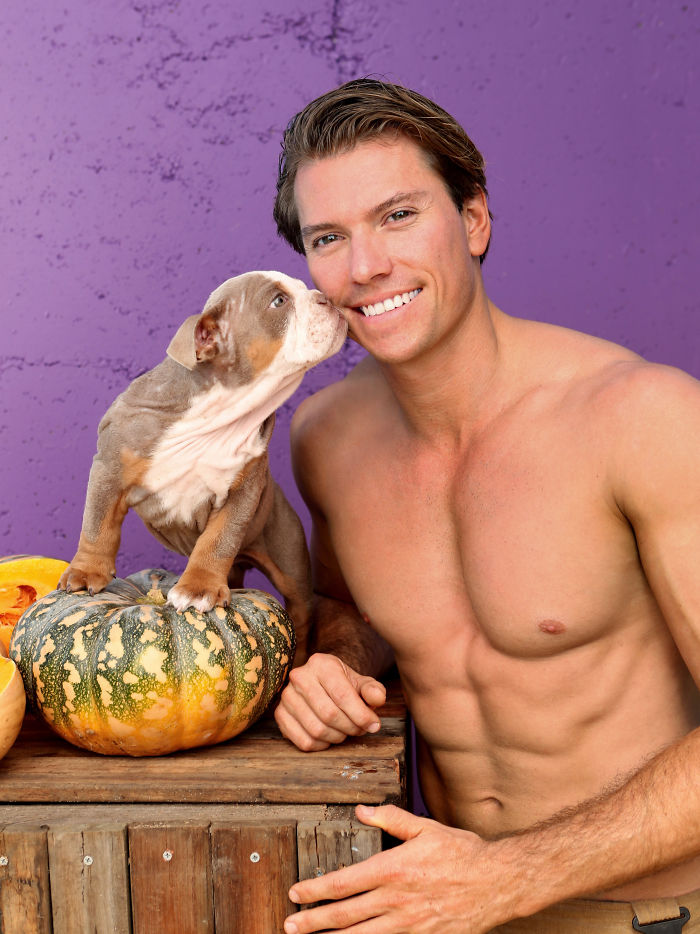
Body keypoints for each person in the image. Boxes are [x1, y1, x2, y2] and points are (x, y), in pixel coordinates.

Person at [271, 78, 700, 933]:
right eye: (329, 238)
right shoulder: (326, 439)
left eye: (398, 216)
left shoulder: (643, 419)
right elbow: (356, 613)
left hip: (652, 914)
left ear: (473, 221)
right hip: (443, 907)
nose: (366, 267)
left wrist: (507, 877)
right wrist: (334, 667)